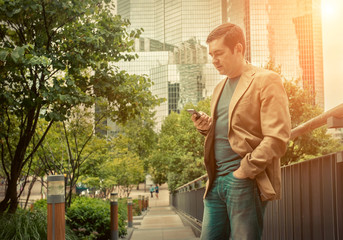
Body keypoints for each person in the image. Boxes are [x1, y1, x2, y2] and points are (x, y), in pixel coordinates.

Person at [190, 23, 291, 240]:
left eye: (219, 53)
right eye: (211, 55)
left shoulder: (266, 80)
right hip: (215, 182)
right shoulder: (219, 88)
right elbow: (230, 131)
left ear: (238, 48)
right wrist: (207, 128)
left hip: (243, 180)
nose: (214, 60)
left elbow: (278, 137)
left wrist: (244, 171)